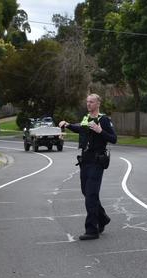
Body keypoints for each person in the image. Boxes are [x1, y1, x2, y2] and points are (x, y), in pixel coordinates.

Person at [59, 94, 117, 240]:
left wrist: (100, 131)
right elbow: (81, 130)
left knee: (91, 194)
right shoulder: (86, 118)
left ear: (98, 104)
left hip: (97, 161)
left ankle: (92, 230)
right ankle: (102, 218)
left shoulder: (103, 119)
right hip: (85, 160)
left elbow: (113, 139)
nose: (88, 104)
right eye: (87, 102)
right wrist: (68, 125)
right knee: (86, 192)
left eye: (91, 102)